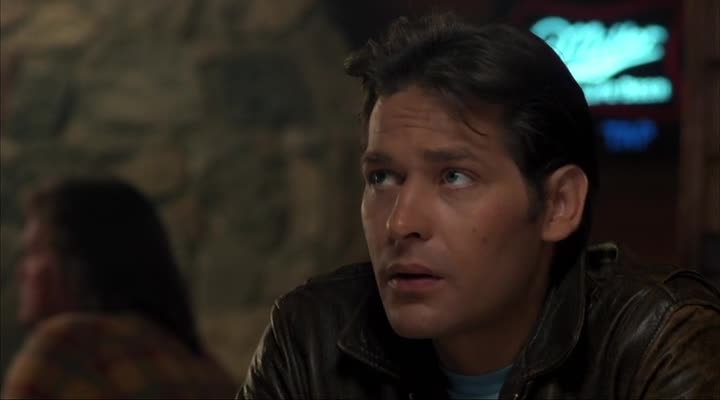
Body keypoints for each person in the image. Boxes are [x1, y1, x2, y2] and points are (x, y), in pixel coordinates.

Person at [238, 13, 720, 400]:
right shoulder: (312, 339)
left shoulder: (656, 343)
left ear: (559, 204)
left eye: (454, 177)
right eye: (382, 177)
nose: (400, 222)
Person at [2, 177, 236, 399]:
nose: (22, 271)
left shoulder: (68, 349)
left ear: (80, 262)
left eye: (35, 252)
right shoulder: (209, 372)